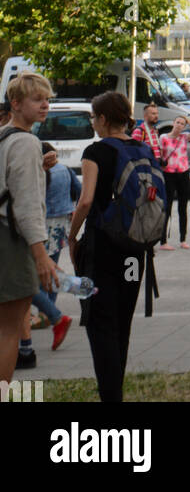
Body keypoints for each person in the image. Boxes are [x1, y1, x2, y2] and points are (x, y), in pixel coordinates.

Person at [67, 90, 158, 402]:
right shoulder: (144, 148)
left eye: (94, 117)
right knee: (122, 321)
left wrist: (71, 236)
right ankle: (115, 391)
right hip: (135, 253)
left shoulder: (96, 152)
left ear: (103, 119)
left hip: (103, 250)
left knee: (100, 323)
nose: (93, 122)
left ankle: (111, 396)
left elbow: (86, 200)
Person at [0, 73, 60, 382]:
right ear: (16, 104)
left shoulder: (3, 136)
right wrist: (40, 254)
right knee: (9, 330)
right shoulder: (25, 142)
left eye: (47, 99)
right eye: (37, 99)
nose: (45, 105)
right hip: (10, 241)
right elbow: (26, 206)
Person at [29, 147, 80, 353]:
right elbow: (78, 190)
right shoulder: (66, 170)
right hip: (61, 225)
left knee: (38, 273)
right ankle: (51, 310)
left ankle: (50, 313)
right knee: (52, 268)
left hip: (43, 225)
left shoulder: (41, 173)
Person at [159, 114, 190, 249]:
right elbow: (160, 155)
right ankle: (163, 241)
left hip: (183, 172)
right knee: (167, 207)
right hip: (169, 174)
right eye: (177, 122)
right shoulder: (164, 137)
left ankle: (183, 239)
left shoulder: (185, 137)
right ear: (173, 123)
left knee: (183, 207)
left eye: (182, 124)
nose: (179, 125)